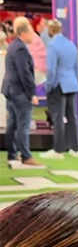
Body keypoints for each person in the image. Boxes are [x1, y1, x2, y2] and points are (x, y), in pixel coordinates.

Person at [2, 17, 43, 170]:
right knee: (22, 125)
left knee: (12, 124)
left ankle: (13, 154)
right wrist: (32, 93)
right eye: (31, 32)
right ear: (24, 32)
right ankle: (26, 156)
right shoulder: (20, 48)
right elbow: (24, 73)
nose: (33, 35)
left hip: (12, 91)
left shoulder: (14, 46)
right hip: (19, 92)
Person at [41, 20, 78, 159]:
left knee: (58, 117)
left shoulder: (52, 46)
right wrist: (75, 81)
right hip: (71, 83)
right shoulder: (71, 44)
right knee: (71, 116)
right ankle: (75, 149)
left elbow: (51, 70)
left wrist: (48, 86)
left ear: (50, 31)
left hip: (59, 84)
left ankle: (58, 150)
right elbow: (77, 68)